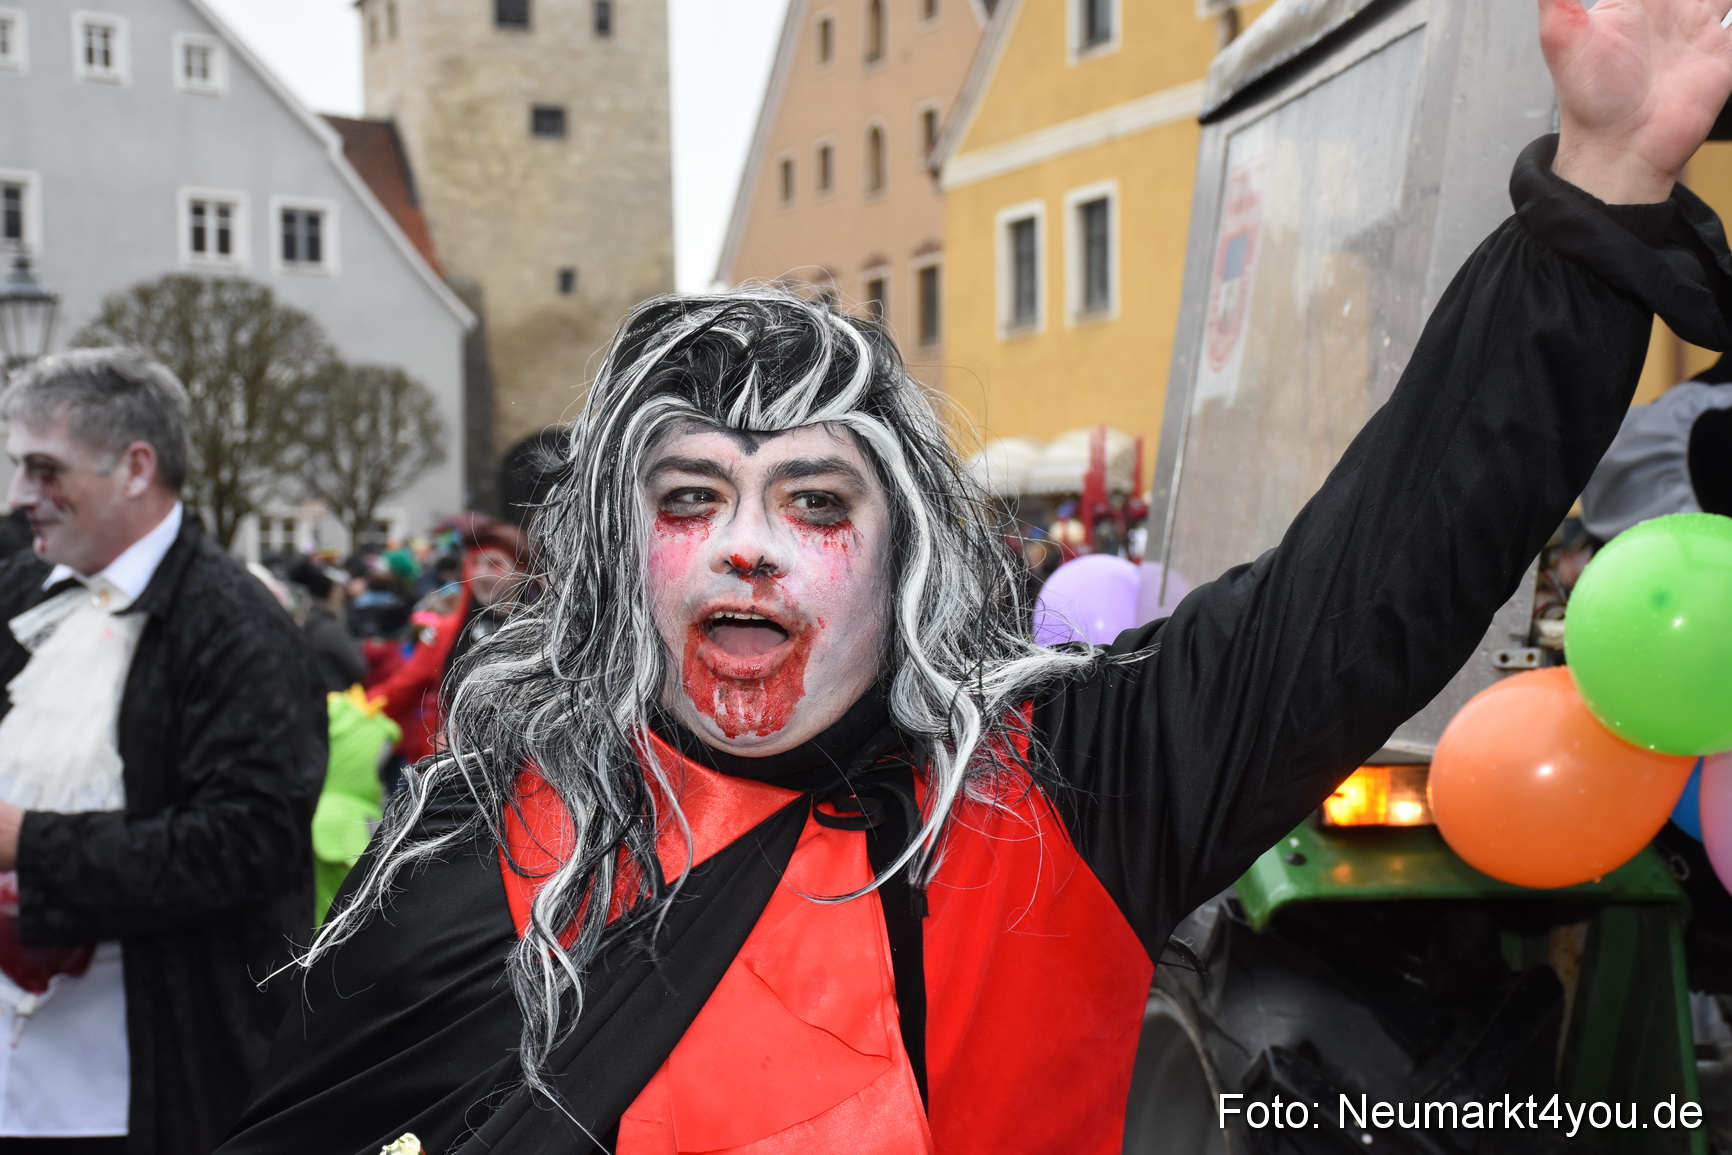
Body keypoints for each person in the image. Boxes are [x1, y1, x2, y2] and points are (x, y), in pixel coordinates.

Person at [221, 2, 1732, 1151]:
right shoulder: (486, 853)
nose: (747, 541)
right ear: (624, 557)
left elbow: (1381, 571)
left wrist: (1598, 193)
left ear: (906, 555)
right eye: (691, 497)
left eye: (815, 499)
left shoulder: (1071, 788)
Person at [0, 350, 327, 1154]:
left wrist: (27, 842)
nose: (17, 497)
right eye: (16, 466)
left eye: (44, 469)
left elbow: (249, 845)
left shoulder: (236, 626)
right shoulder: (19, 594)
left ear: (135, 467)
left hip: (149, 1086)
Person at [369, 520, 524, 764]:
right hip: (451, 767)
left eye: (494, 564)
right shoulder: (446, 633)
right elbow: (401, 690)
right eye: (476, 563)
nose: (481, 574)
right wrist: (355, 709)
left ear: (521, 572)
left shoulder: (539, 632)